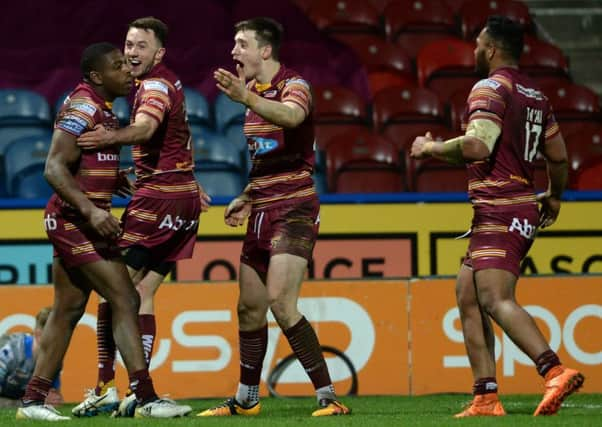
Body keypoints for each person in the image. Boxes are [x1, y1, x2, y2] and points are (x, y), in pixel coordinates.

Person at [410, 16, 584, 417]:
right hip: (509, 207)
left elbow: (476, 146)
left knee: (494, 297)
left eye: (476, 44)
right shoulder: (536, 96)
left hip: (502, 208)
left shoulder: (490, 87)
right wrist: (555, 197)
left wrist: (430, 149)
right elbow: (558, 156)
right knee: (468, 294)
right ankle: (485, 397)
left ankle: (553, 370)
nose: (473, 51)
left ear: (490, 49)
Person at [15, 42, 192, 421]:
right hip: (74, 222)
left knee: (68, 309)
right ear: (97, 76)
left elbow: (86, 163)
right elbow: (54, 167)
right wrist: (93, 212)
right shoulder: (82, 106)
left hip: (80, 219)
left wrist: (113, 181)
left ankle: (32, 401)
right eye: (117, 66)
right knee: (125, 298)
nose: (127, 69)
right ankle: (145, 397)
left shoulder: (108, 112)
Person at [197, 17, 350, 418]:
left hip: (295, 207)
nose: (234, 52)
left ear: (265, 50)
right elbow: (264, 156)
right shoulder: (252, 93)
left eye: (241, 43)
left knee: (281, 303)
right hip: (262, 208)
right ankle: (246, 398)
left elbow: (292, 118)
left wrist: (245, 99)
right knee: (249, 307)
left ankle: (328, 396)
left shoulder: (294, 86)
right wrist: (246, 196)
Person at [74, 17, 209, 417]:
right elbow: (178, 137)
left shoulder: (152, 86)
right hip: (179, 198)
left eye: (141, 46)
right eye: (128, 44)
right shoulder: (168, 82)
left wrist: (108, 138)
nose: (131, 52)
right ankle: (138, 390)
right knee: (141, 294)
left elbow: (146, 129)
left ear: (159, 53)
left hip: (161, 199)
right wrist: (183, 178)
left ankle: (109, 387)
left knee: (113, 292)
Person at [0, 307, 62, 408]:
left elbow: (53, 396)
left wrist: (54, 399)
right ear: (38, 335)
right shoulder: (10, 353)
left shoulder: (54, 359)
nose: (60, 343)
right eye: (55, 337)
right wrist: (30, 403)